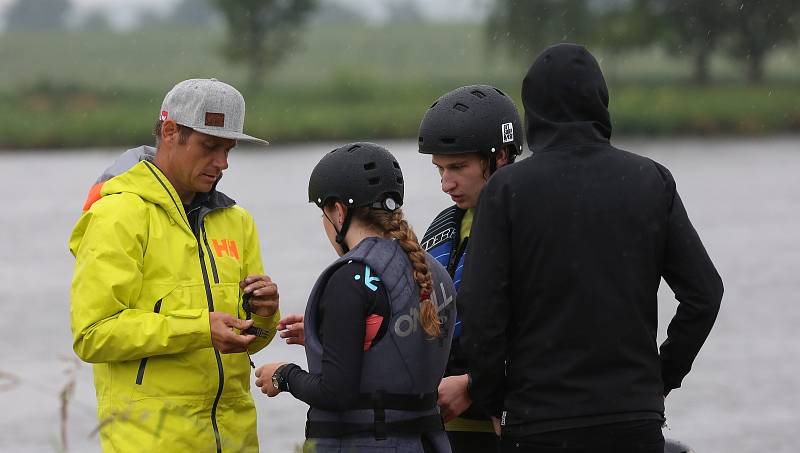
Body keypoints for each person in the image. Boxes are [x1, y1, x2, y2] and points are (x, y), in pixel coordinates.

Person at [458, 43, 724, 452]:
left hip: (539, 422)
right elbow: (704, 295)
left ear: (532, 112)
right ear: (600, 102)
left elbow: (481, 311)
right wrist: (661, 377)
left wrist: (493, 397)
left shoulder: (506, 190)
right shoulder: (652, 181)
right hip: (633, 420)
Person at [69, 78, 280, 452]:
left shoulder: (237, 220)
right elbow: (92, 334)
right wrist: (200, 329)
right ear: (170, 132)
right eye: (210, 146)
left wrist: (265, 316)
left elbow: (251, 345)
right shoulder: (117, 215)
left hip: (237, 442)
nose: (222, 162)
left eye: (228, 149)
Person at [254, 142, 457, 453]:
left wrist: (284, 375)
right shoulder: (431, 271)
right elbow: (397, 348)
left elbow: (337, 394)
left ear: (338, 211)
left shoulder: (352, 278)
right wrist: (325, 337)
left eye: (323, 213)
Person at [416, 84, 522, 452]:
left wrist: (474, 387)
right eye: (440, 169)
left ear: (501, 157)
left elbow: (549, 329)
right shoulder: (443, 225)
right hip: (443, 429)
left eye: (458, 167)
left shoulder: (532, 224)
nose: (446, 184)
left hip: (506, 427)